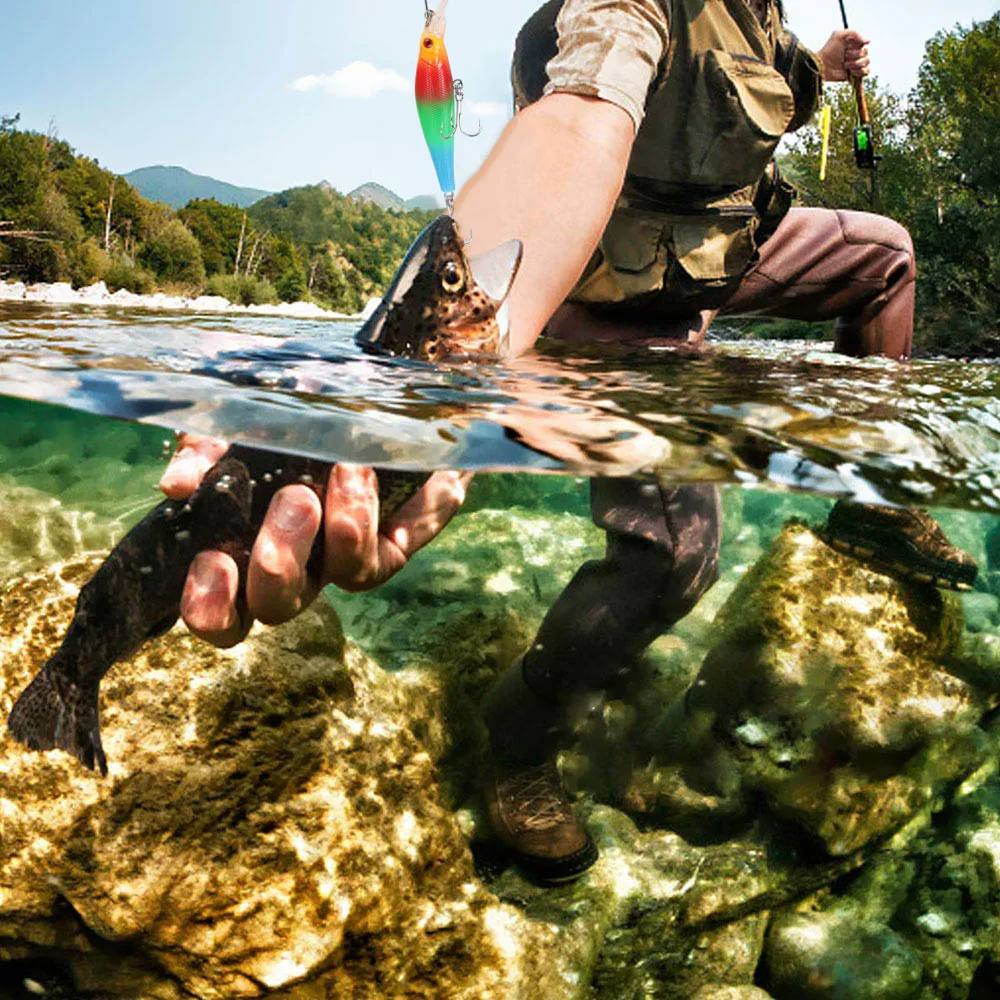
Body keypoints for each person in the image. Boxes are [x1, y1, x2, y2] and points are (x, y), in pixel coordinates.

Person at [163, 0, 976, 884]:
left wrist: (815, 63)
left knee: (886, 258)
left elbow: (757, 98)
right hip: (610, 294)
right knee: (676, 559)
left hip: (722, 255)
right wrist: (421, 371)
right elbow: (581, 119)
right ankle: (519, 736)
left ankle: (873, 508)